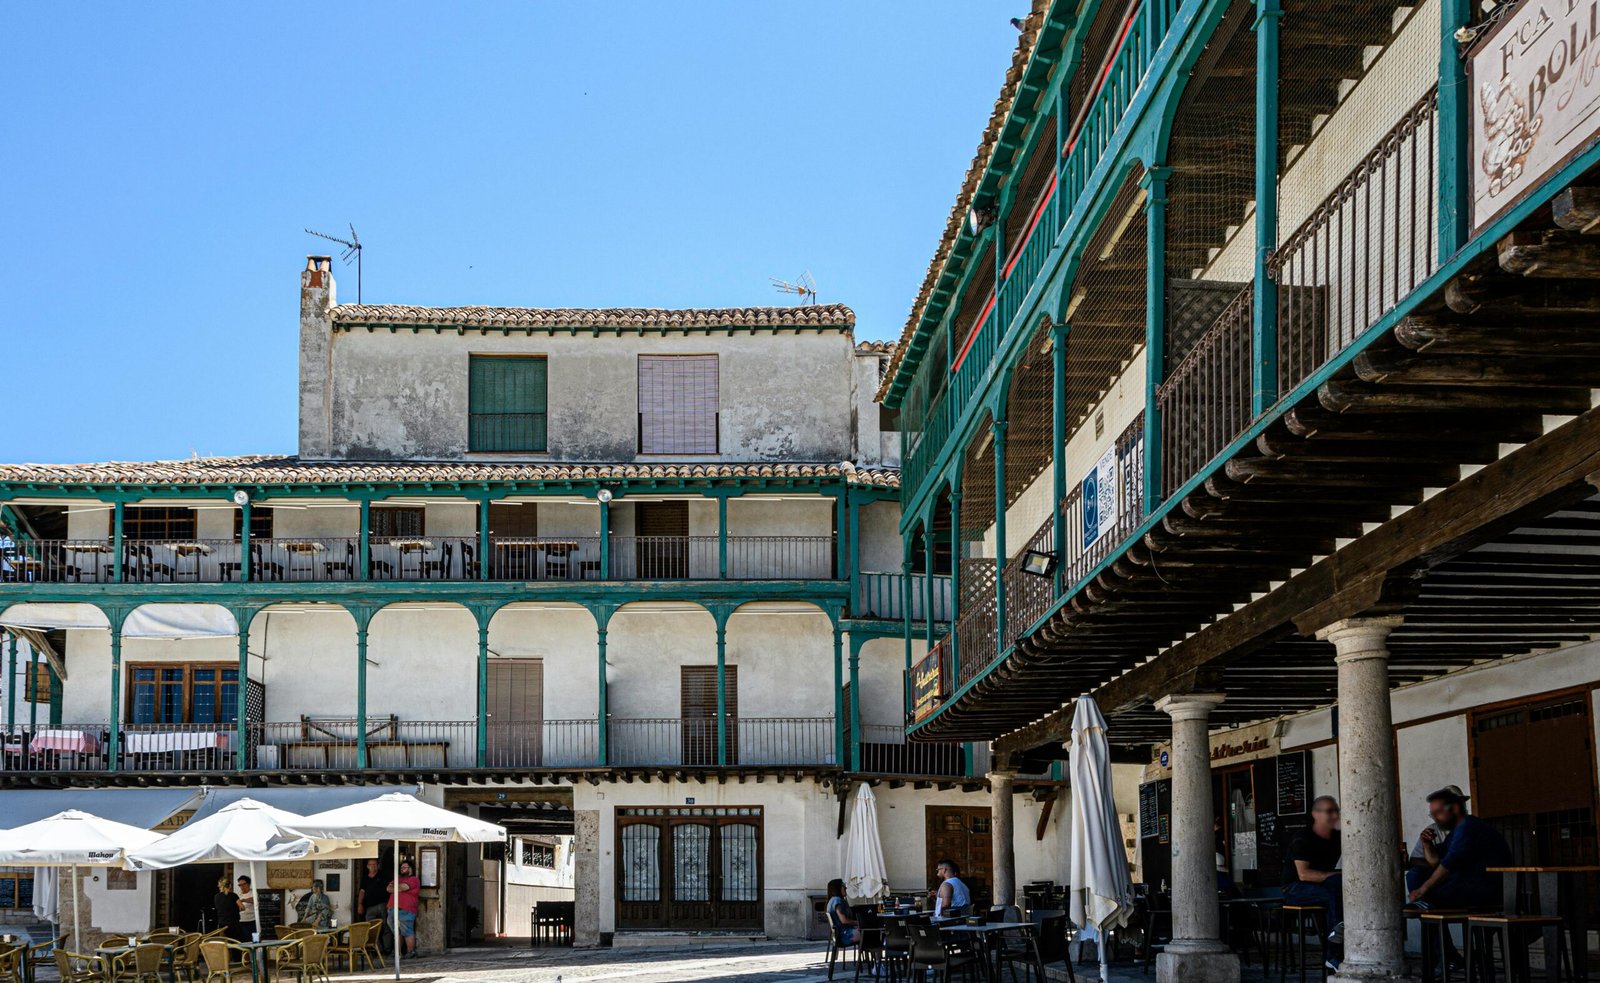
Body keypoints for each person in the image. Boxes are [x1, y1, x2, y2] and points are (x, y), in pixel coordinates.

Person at [1406, 785, 1511, 911]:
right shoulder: (1455, 832)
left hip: (1484, 886)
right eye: (1432, 814)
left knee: (1444, 887)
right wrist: (1427, 844)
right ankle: (1427, 902)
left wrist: (1422, 889)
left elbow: (1450, 862)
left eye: (1438, 813)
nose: (1435, 818)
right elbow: (1435, 861)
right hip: (1466, 881)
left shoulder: (1469, 827)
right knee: (1415, 874)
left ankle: (1428, 901)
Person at [1281, 796, 1343, 970]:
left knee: (1341, 888)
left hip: (1322, 885)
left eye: (1335, 811)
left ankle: (1341, 943)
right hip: (1294, 889)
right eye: (1329, 811)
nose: (1334, 815)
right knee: (1336, 891)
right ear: (1315, 814)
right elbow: (1304, 875)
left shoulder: (1336, 838)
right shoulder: (1303, 837)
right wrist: (1338, 875)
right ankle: (1333, 955)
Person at [387, 857, 421, 958]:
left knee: (407, 931)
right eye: (401, 867)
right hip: (392, 909)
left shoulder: (413, 880)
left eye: (405, 867)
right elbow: (388, 888)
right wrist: (398, 887)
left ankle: (411, 952)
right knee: (397, 932)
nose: (402, 869)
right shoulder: (397, 878)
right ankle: (397, 952)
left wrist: (396, 887)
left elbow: (404, 887)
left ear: (411, 869)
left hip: (405, 910)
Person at [826, 878, 859, 945]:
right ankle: (877, 955)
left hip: (839, 935)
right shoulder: (837, 900)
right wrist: (859, 923)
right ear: (837, 888)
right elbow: (844, 921)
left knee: (867, 933)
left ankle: (873, 955)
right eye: (843, 886)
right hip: (844, 935)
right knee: (869, 933)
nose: (845, 888)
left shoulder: (832, 900)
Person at [213, 875, 243, 940]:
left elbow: (219, 908)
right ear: (230, 885)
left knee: (224, 944)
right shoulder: (234, 895)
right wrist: (238, 910)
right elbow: (242, 907)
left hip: (222, 924)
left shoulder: (216, 897)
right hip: (234, 924)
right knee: (235, 943)